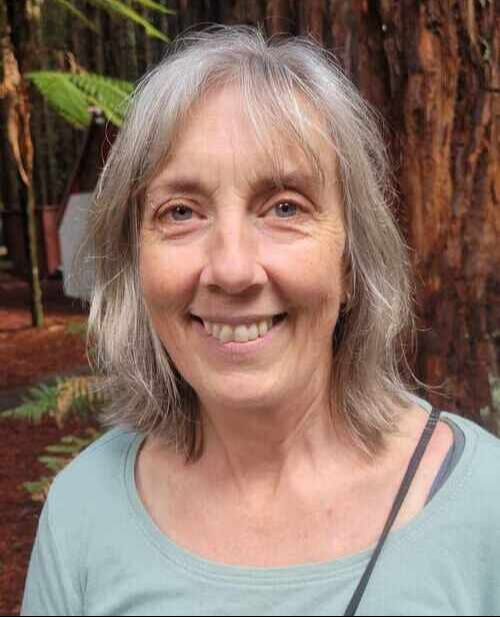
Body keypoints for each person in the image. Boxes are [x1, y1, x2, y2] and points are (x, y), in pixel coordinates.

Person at [21, 25, 500, 616]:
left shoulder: (485, 507)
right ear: (135, 262)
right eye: (181, 212)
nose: (232, 269)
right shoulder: (83, 515)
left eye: (284, 207)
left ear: (351, 259)